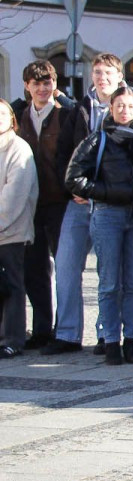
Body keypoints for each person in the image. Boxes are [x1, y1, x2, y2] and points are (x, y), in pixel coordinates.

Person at [42, 54, 133, 355]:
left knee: (110, 273)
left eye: (108, 73)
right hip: (81, 202)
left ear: (119, 76)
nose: (102, 78)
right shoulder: (79, 109)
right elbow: (64, 154)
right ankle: (68, 333)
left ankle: (106, 335)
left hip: (117, 206)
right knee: (67, 265)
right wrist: (75, 187)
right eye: (97, 72)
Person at [65, 86, 133, 365]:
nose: (125, 111)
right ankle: (111, 341)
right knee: (108, 283)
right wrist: (106, 192)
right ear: (111, 108)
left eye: (130, 106)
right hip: (107, 215)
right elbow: (73, 178)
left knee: (132, 283)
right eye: (120, 106)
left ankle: (131, 340)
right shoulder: (98, 140)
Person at [12, 60, 88, 350]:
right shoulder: (18, 114)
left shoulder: (66, 114)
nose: (43, 89)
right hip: (29, 202)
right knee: (35, 268)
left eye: (47, 83)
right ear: (27, 85)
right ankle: (42, 328)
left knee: (66, 267)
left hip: (60, 201)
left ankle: (66, 330)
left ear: (54, 86)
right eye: (37, 83)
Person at [0, 99, 38, 358]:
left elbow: (13, 197)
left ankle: (13, 339)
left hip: (10, 231)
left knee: (11, 286)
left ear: (11, 118)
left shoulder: (18, 148)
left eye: (2, 114)